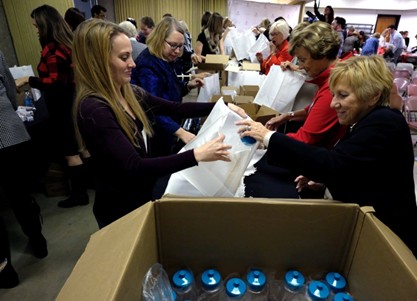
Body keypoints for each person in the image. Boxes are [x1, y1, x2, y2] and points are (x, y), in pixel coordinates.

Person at [237, 55, 417, 262]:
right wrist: (324, 181)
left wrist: (268, 137)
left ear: (373, 96)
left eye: (343, 96)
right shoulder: (365, 119)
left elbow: (334, 164)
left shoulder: (385, 122)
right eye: (334, 95)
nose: (334, 104)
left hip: (389, 237)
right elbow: (355, 167)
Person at [72, 19, 244, 228]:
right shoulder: (94, 109)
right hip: (119, 208)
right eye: (124, 57)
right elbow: (134, 166)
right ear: (98, 62)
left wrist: (223, 106)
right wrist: (197, 155)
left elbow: (174, 108)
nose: (132, 64)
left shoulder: (128, 92)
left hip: (139, 195)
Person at [246, 22, 348, 199]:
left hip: (312, 168)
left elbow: (304, 140)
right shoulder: (329, 80)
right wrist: (289, 116)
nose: (300, 66)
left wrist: (265, 136)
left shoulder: (333, 88)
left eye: (302, 60)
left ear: (322, 55)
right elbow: (314, 108)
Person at [15, 4, 89, 208]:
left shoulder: (53, 49)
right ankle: (90, 185)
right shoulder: (68, 43)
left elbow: (55, 83)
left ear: (45, 25)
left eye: (37, 26)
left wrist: (29, 79)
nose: (36, 30)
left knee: (70, 151)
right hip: (74, 100)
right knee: (81, 147)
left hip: (62, 105)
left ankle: (79, 195)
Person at [0, 50, 47, 289]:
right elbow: (9, 87)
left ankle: (5, 271)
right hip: (9, 131)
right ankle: (38, 241)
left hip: (7, 133)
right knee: (20, 195)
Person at [131, 17, 205, 156]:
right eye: (173, 45)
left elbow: (168, 90)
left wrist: (187, 86)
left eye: (180, 46)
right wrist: (180, 131)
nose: (177, 51)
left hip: (168, 125)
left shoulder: (164, 58)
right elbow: (152, 108)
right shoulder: (148, 65)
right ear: (160, 39)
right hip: (157, 131)